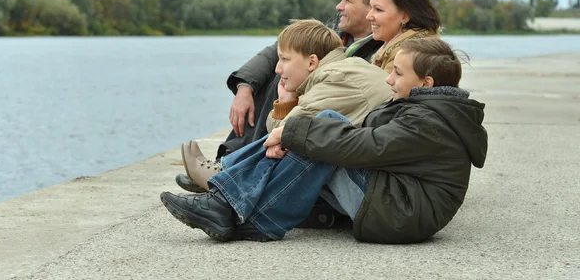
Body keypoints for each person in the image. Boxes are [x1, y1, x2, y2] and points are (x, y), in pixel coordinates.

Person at [160, 38, 488, 243]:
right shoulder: (427, 111)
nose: (389, 77)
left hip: (399, 216)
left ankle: (227, 196)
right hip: (396, 203)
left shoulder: (428, 122)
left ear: (426, 83)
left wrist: (290, 131)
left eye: (398, 73)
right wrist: (294, 132)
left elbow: (366, 147)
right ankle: (226, 196)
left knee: (326, 128)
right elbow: (366, 141)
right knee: (325, 129)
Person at [175, 0, 383, 192]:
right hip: (317, 117)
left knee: (282, 81)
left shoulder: (380, 49)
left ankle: (231, 175)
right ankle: (229, 165)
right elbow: (274, 52)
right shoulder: (332, 34)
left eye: (347, 0)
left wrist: (287, 104)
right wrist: (245, 86)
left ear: (370, 8)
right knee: (274, 77)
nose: (338, 6)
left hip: (337, 131)